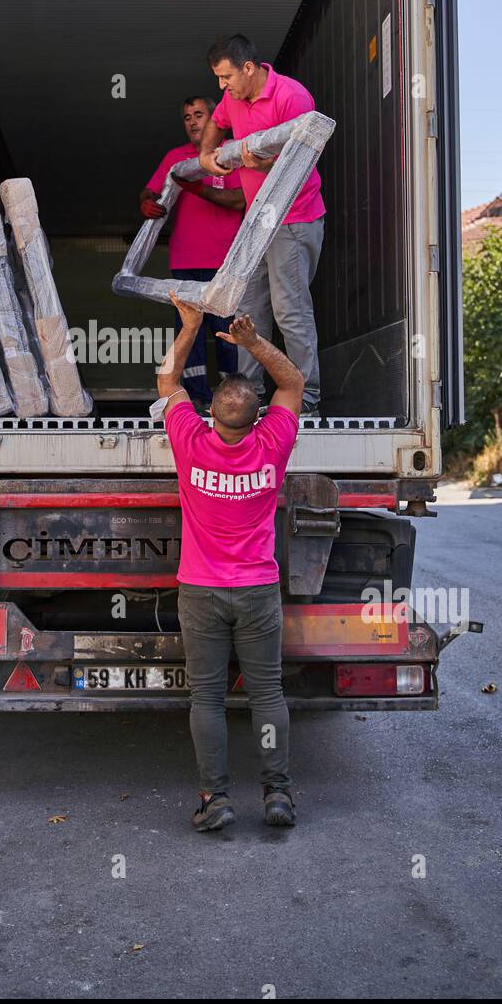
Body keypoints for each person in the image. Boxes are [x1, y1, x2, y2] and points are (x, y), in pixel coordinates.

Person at [157, 293, 304, 831]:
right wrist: (252, 342)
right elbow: (292, 384)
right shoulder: (272, 444)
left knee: (208, 700)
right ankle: (278, 796)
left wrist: (191, 325)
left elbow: (168, 382)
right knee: (267, 693)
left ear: (211, 413)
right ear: (256, 415)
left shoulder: (190, 441)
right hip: (259, 590)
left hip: (199, 591)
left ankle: (215, 800)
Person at [197, 34, 324, 415]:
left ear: (248, 68)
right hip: (256, 221)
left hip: (293, 217)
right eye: (218, 79)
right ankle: (251, 398)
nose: (222, 86)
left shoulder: (293, 98)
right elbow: (217, 124)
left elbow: (301, 164)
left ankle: (307, 400)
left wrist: (261, 163)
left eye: (225, 77)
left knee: (290, 310)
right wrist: (205, 154)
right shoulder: (233, 97)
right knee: (248, 311)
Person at [140, 96, 245, 411]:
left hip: (226, 263)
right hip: (185, 261)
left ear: (215, 119)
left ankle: (234, 398)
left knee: (228, 332)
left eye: (199, 115)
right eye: (187, 117)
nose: (193, 122)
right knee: (190, 331)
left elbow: (240, 200)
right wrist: (146, 202)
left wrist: (200, 189)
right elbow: (150, 190)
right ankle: (197, 397)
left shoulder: (232, 153)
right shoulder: (176, 157)